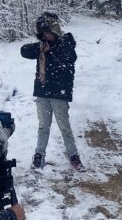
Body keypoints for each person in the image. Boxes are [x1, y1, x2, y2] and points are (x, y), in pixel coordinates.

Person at [20, 11, 83, 170]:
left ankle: (73, 156)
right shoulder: (42, 47)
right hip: (42, 93)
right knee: (43, 127)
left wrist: (51, 50)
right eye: (43, 34)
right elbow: (23, 51)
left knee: (64, 128)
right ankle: (39, 156)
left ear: (54, 31)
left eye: (48, 33)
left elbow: (68, 59)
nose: (46, 36)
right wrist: (41, 47)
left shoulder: (66, 44)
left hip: (59, 94)